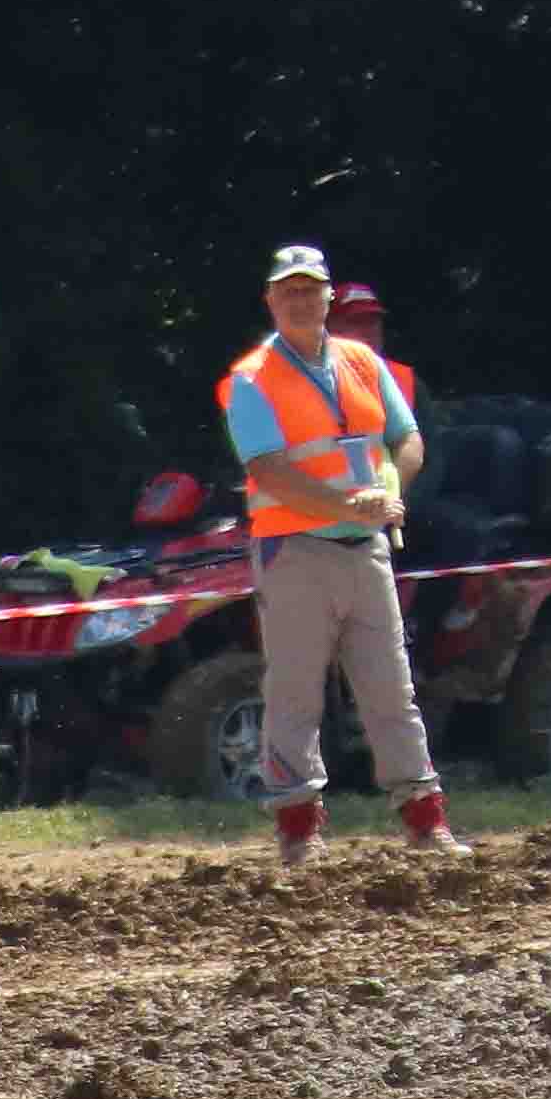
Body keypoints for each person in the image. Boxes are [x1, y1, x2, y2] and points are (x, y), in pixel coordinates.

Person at [217, 244, 465, 864]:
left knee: (391, 689)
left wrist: (390, 488)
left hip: (366, 549)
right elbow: (270, 471)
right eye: (289, 291)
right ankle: (298, 831)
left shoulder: (362, 361)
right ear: (271, 301)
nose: (301, 300)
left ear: (329, 296)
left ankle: (426, 821)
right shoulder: (251, 378)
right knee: (294, 694)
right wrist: (348, 505)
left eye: (310, 289)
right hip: (294, 552)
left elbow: (407, 439)